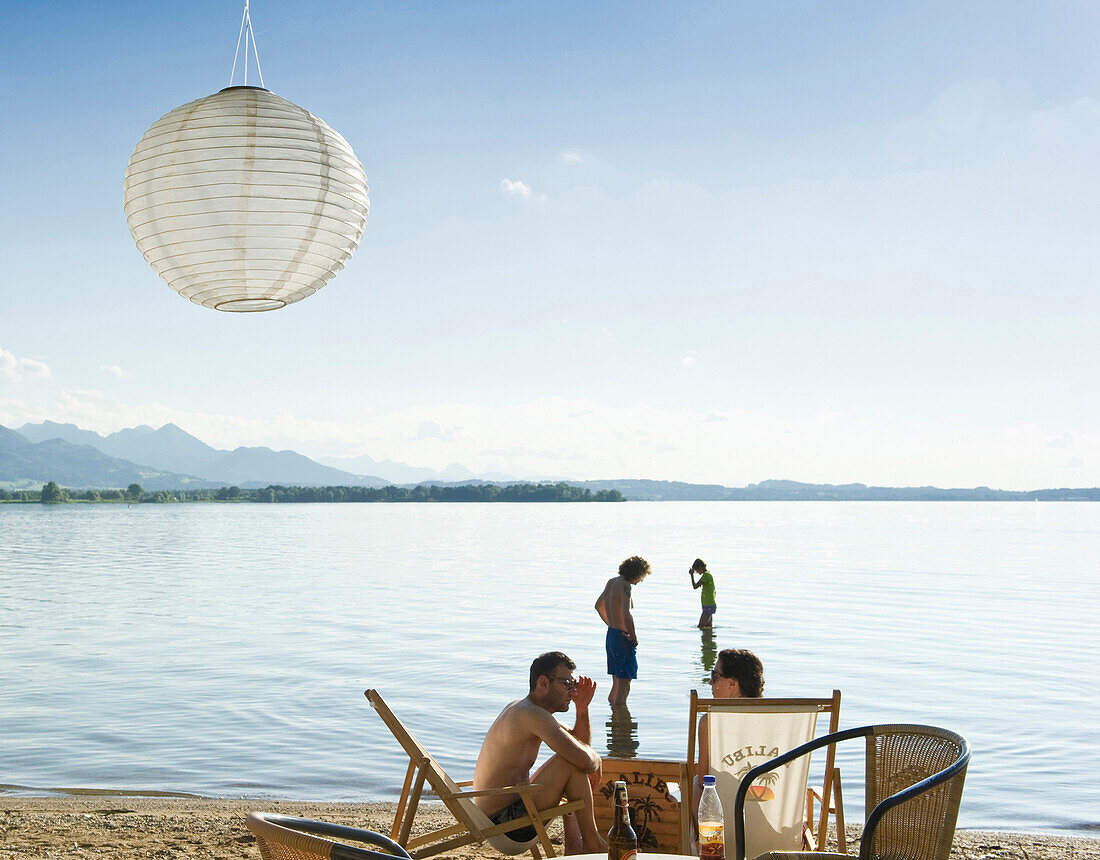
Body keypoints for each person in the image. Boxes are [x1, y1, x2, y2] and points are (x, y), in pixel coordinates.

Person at [472, 652, 607, 854]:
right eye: (567, 683)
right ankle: (592, 842)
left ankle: (577, 846)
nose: (572, 691)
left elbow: (578, 746)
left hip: (507, 813)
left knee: (570, 759)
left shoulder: (529, 709)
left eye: (574, 684)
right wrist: (597, 760)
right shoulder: (530, 714)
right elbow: (584, 761)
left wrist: (582, 709)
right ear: (544, 682)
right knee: (568, 762)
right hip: (505, 825)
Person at [691, 649, 765, 842]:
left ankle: (705, 847)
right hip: (774, 829)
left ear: (732, 684)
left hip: (723, 836)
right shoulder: (781, 721)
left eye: (714, 676)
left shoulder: (710, 723)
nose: (710, 682)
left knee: (696, 784)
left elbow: (704, 780)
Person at [595, 555, 651, 704]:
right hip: (623, 637)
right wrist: (633, 636)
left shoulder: (612, 582)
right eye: (642, 576)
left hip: (612, 635)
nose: (641, 580)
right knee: (624, 685)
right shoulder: (625, 586)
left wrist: (610, 623)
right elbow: (627, 614)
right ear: (637, 573)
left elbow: (598, 606)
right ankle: (621, 721)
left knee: (616, 683)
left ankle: (613, 719)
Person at [689, 558, 717, 628]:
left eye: (697, 570)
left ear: (701, 567)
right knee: (708, 628)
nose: (697, 572)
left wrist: (691, 575)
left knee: (700, 626)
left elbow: (695, 586)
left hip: (708, 606)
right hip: (708, 605)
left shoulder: (706, 575)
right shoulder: (708, 575)